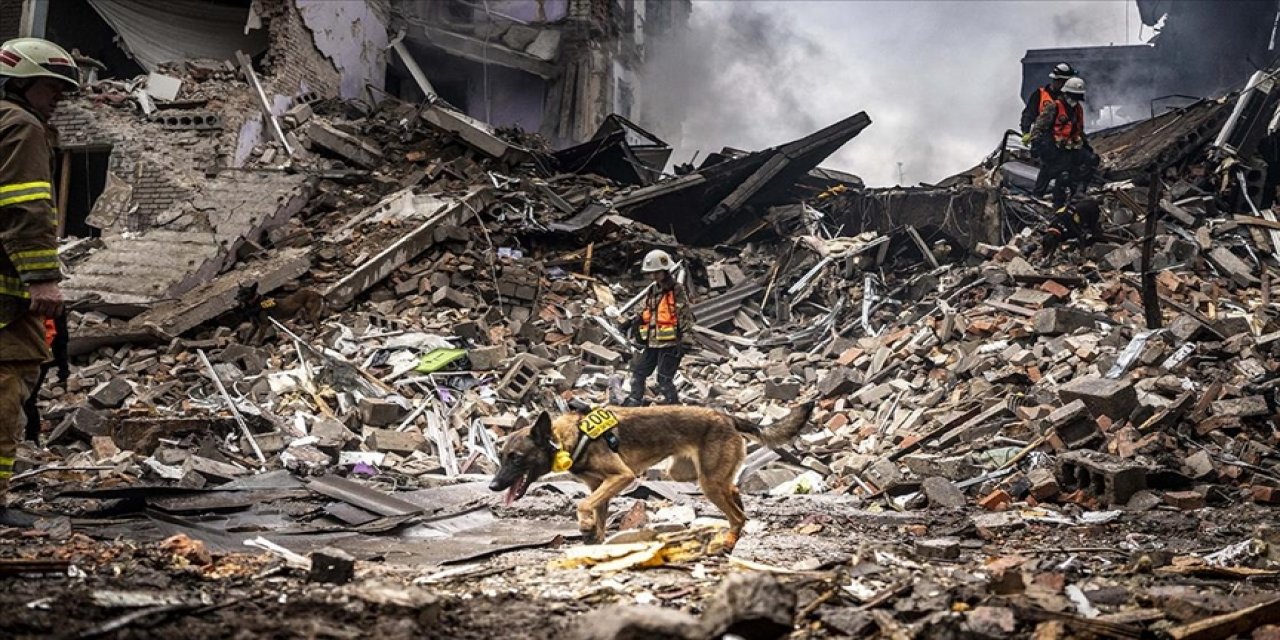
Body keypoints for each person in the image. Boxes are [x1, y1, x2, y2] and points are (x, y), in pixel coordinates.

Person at [0, 38, 78, 520]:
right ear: (23, 83)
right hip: (6, 300)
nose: (58, 99)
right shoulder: (21, 126)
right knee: (8, 387)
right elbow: (26, 207)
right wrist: (43, 280)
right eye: (53, 88)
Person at [622, 249, 695, 407]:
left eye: (656, 272)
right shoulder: (652, 290)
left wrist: (686, 339)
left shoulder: (676, 289)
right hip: (652, 342)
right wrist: (632, 322)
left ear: (665, 270)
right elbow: (645, 310)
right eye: (651, 273)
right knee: (638, 373)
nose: (653, 276)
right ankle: (634, 403)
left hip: (670, 343)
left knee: (664, 380)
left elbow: (684, 314)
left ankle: (674, 408)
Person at [1027, 76, 1099, 208]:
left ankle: (1078, 192)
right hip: (1053, 147)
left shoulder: (1078, 110)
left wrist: (1086, 146)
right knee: (1052, 172)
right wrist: (1035, 144)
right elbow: (1039, 126)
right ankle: (1039, 197)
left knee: (1092, 159)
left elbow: (1079, 130)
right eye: (1073, 95)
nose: (1074, 100)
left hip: (1071, 147)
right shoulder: (1053, 107)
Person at [22, 313, 69, 444]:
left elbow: (60, 335)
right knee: (27, 399)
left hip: (37, 357)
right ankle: (31, 437)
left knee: (28, 399)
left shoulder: (49, 303)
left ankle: (31, 437)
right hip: (30, 355)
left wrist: (63, 367)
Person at [1020, 62, 1076, 142]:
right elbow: (1028, 115)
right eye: (1065, 82)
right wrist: (1026, 132)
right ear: (1057, 81)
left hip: (1063, 139)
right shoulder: (1039, 94)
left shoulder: (1068, 98)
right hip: (1042, 138)